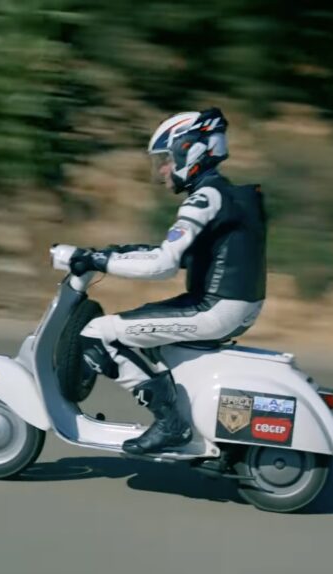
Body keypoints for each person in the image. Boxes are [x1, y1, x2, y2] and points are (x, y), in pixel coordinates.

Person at [67, 108, 267, 455]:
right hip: (235, 303)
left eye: (166, 158)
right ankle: (186, 415)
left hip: (215, 308)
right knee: (138, 322)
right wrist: (114, 253)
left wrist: (101, 260)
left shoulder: (206, 197)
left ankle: (170, 423)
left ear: (192, 151)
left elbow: (163, 264)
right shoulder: (228, 195)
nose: (162, 169)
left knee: (98, 333)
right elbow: (184, 253)